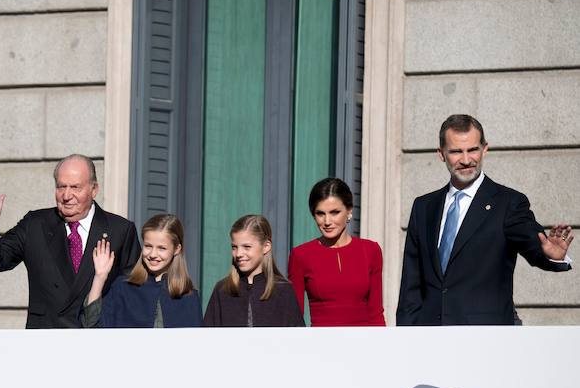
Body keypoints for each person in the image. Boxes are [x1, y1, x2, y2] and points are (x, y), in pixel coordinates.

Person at [396, 114, 572, 325]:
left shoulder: (508, 203)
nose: (466, 160)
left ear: (484, 149)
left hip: (486, 339)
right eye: (455, 152)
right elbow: (411, 285)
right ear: (441, 154)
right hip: (430, 336)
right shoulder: (424, 207)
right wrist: (405, 336)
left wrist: (550, 255)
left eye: (472, 150)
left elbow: (532, 243)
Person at [0, 154, 141, 328]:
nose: (67, 195)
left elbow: (134, 294)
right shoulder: (35, 224)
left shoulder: (119, 230)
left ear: (94, 189)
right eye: (61, 187)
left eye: (75, 187)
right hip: (45, 340)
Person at [288, 178, 386, 326]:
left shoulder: (371, 250)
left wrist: (382, 345)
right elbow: (294, 317)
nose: (327, 221)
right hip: (320, 345)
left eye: (335, 212)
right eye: (320, 213)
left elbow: (376, 312)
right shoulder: (301, 255)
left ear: (349, 211)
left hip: (365, 344)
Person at [81, 213, 201, 328]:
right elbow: (91, 325)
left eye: (162, 248)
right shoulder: (122, 287)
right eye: (148, 246)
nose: (153, 254)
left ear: (177, 249)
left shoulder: (189, 297)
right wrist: (100, 277)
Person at [203, 215, 303, 327]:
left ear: (266, 246)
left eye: (247, 247)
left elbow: (297, 340)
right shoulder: (222, 290)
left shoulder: (283, 291)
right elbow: (207, 339)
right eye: (234, 247)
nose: (239, 254)